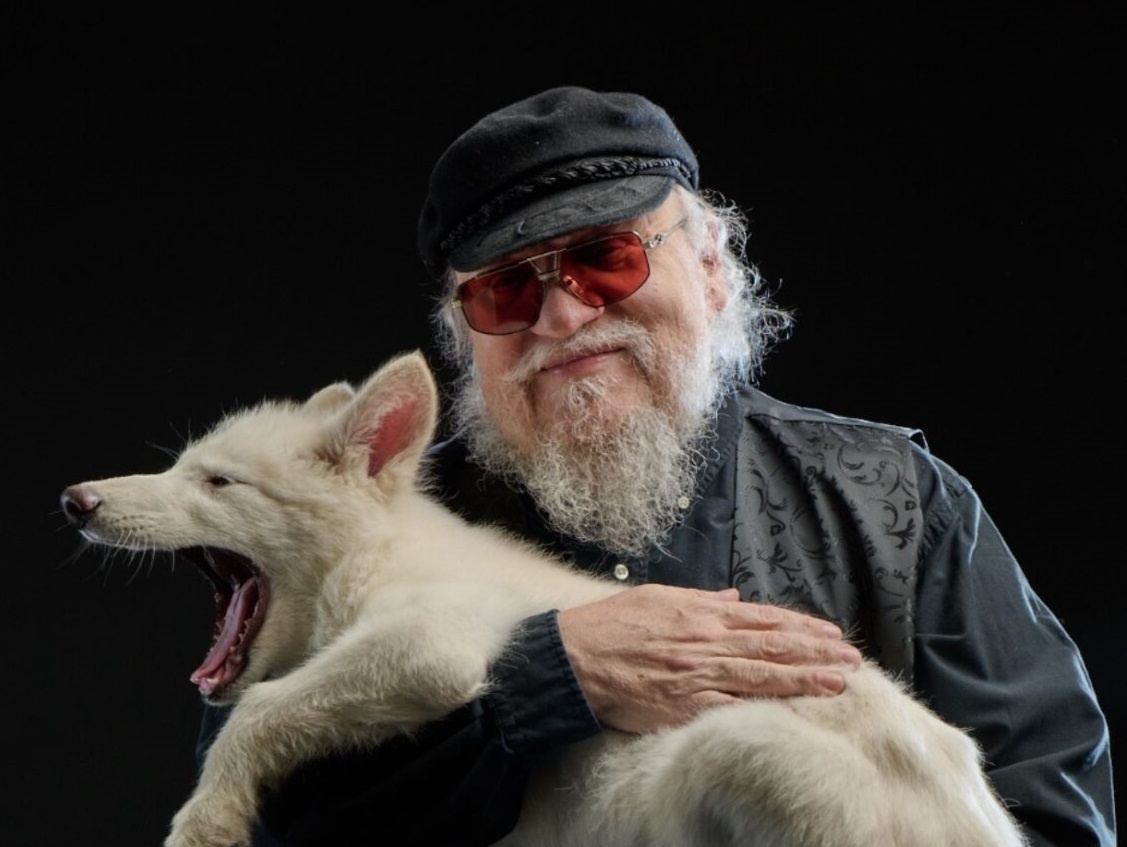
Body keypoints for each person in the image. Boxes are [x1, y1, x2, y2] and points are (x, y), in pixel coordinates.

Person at [198, 85, 1115, 845]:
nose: (562, 317)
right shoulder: (361, 520)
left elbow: (1053, 813)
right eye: (507, 289)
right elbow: (258, 814)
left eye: (605, 259)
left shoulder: (895, 502)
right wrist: (546, 681)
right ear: (463, 334)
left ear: (710, 267)